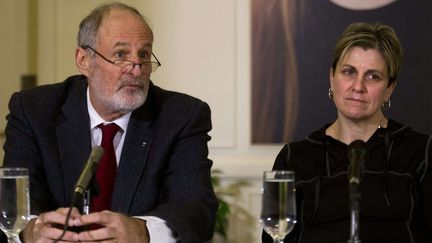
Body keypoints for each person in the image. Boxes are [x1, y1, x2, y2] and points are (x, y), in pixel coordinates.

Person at [2, 2, 218, 242]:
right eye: (121, 54)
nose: (136, 70)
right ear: (84, 59)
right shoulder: (35, 110)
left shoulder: (181, 117)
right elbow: (14, 202)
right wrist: (31, 231)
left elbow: (196, 209)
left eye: (144, 54)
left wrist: (143, 232)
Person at [262, 22, 432, 242]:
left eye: (373, 76)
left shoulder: (420, 152)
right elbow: (274, 239)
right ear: (332, 77)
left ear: (389, 88)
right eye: (349, 72)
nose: (358, 86)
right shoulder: (294, 158)